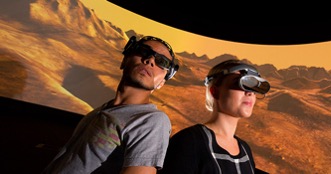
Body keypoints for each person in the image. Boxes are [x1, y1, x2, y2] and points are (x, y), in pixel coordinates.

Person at [42, 35, 180, 174]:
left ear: (161, 83)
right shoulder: (102, 111)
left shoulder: (151, 121)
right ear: (124, 60)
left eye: (162, 62)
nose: (150, 60)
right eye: (144, 51)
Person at [160, 59, 271, 174]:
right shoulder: (188, 142)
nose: (250, 93)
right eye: (239, 83)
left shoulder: (245, 149)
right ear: (215, 92)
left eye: (253, 88)